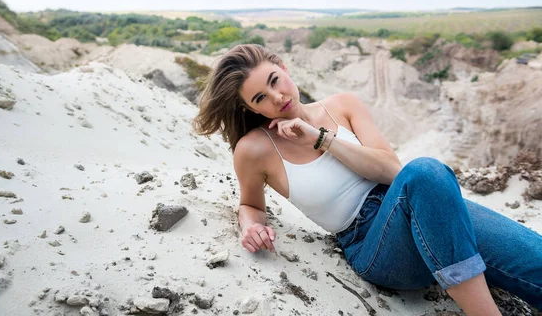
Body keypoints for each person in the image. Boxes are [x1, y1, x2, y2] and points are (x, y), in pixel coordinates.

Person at [192, 44, 542, 315]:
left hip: (421, 205)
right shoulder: (254, 150)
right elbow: (251, 204)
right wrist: (250, 226)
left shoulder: (343, 104)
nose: (277, 97)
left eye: (274, 81)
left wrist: (322, 138)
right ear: (251, 110)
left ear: (284, 68)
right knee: (425, 172)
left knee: (534, 259)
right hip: (375, 246)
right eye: (260, 99)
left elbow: (392, 172)